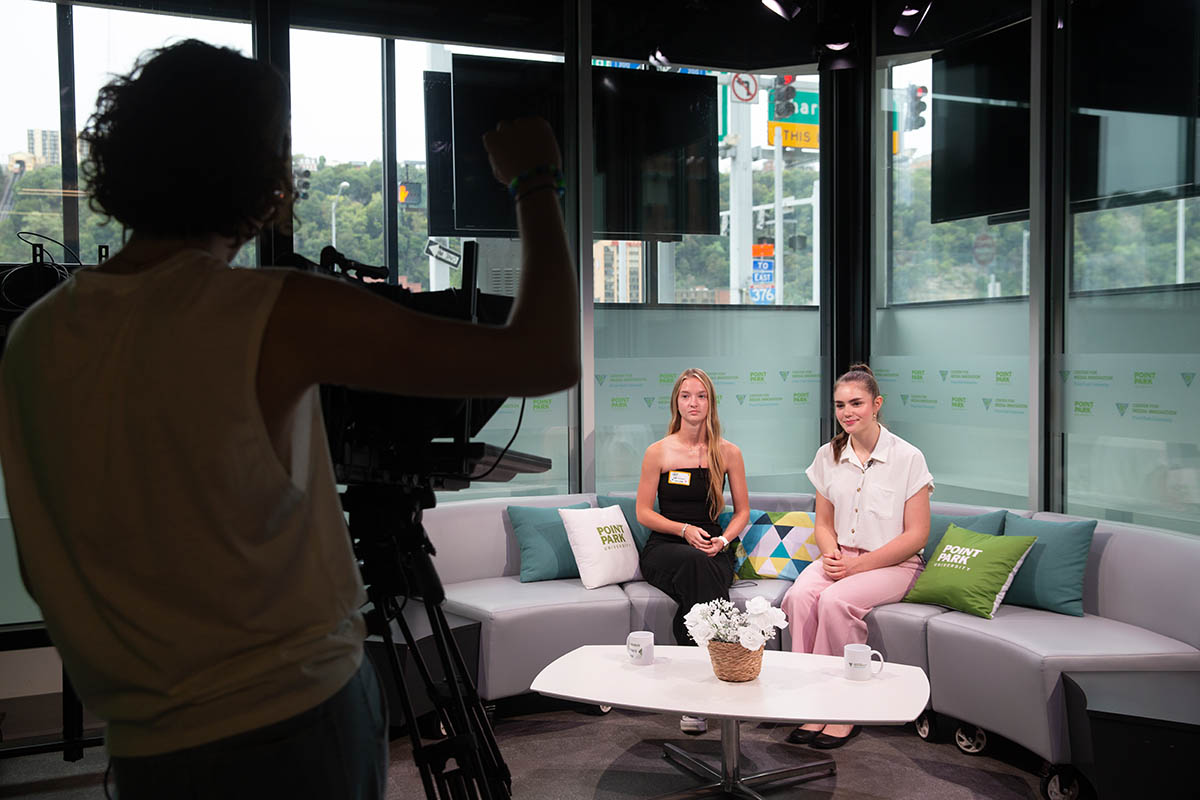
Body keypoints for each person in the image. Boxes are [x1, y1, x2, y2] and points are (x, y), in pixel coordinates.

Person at [0, 40, 579, 800]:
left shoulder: (36, 334)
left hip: (145, 746)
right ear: (262, 174)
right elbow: (544, 359)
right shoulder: (270, 310)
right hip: (293, 720)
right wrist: (535, 181)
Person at [780, 363, 932, 750]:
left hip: (895, 564)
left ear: (876, 404)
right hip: (842, 557)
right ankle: (811, 699)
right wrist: (831, 555)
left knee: (835, 601)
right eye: (840, 405)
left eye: (856, 403)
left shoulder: (908, 457)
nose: (847, 412)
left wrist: (856, 566)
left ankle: (847, 706)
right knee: (797, 597)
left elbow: (917, 536)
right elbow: (824, 524)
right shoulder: (828, 455)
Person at [635, 367, 749, 735]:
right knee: (697, 566)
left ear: (710, 402)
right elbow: (644, 513)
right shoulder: (659, 451)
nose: (693, 403)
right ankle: (723, 673)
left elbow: (743, 511)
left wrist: (724, 541)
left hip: (713, 546)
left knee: (704, 567)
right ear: (677, 402)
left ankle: (693, 696)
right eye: (686, 396)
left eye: (701, 396)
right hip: (666, 546)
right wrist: (683, 530)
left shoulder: (728, 452)